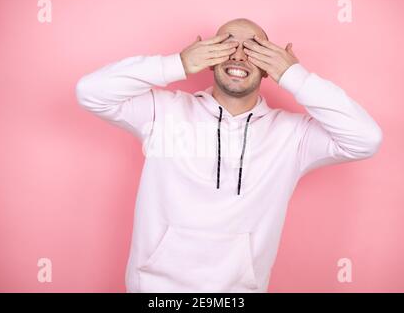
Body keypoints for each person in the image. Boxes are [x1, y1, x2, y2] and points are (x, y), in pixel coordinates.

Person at [75, 18, 382, 293]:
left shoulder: (293, 136)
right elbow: (90, 91)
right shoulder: (162, 112)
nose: (237, 56)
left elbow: (366, 139)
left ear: (267, 65)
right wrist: (177, 64)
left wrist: (294, 75)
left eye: (252, 49)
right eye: (226, 46)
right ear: (208, 58)